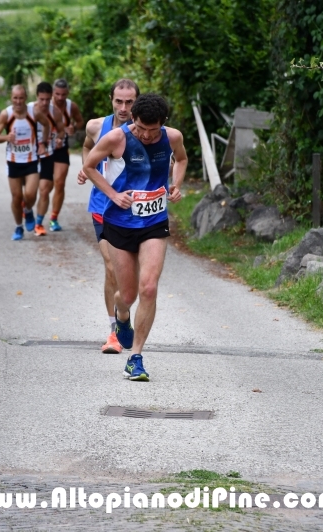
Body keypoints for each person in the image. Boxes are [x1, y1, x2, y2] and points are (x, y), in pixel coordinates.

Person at [82, 94, 187, 381]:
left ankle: (135, 357)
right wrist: (113, 195)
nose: (146, 135)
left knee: (149, 288)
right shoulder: (117, 138)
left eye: (153, 130)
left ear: (162, 125)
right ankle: (122, 316)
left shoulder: (172, 137)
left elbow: (181, 159)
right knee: (127, 295)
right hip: (120, 223)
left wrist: (175, 185)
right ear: (134, 120)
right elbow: (89, 165)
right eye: (140, 128)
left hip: (154, 221)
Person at [77, 79, 139, 354]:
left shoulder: (144, 131)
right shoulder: (95, 125)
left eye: (129, 102)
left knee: (131, 277)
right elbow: (88, 145)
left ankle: (124, 317)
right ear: (111, 100)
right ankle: (113, 331)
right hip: (103, 206)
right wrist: (86, 167)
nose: (124, 108)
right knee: (111, 267)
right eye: (119, 101)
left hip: (135, 211)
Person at [0, 85, 51, 240]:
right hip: (13, 161)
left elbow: (46, 124)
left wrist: (43, 142)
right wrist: (6, 138)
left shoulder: (34, 112)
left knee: (30, 195)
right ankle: (19, 227)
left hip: (31, 160)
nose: (18, 101)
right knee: (17, 197)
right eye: (15, 98)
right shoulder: (6, 114)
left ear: (26, 98)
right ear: (11, 98)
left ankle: (29, 210)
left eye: (21, 98)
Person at [48, 79, 84, 231]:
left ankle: (54, 218)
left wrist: (73, 128)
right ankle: (29, 206)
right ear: (52, 93)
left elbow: (81, 122)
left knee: (60, 182)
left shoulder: (71, 106)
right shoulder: (44, 105)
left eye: (63, 94)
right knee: (45, 185)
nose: (60, 97)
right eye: (57, 94)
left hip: (61, 148)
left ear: (67, 93)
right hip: (43, 149)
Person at [32, 82, 66, 236]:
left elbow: (61, 131)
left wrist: (59, 138)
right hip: (28, 156)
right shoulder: (28, 111)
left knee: (45, 190)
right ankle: (26, 211)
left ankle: (38, 224)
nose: (45, 103)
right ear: (36, 97)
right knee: (29, 193)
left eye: (47, 99)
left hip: (47, 153)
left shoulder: (55, 112)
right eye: (41, 99)